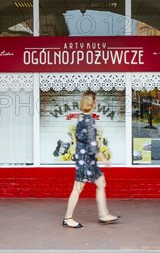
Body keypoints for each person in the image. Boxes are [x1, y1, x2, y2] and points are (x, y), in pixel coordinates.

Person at [62, 91, 120, 228]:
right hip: (85, 161)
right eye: (96, 100)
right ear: (93, 104)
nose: (97, 102)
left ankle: (104, 215)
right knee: (78, 187)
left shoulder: (81, 119)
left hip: (87, 160)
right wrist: (104, 159)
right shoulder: (89, 121)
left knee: (101, 183)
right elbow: (93, 144)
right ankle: (67, 218)